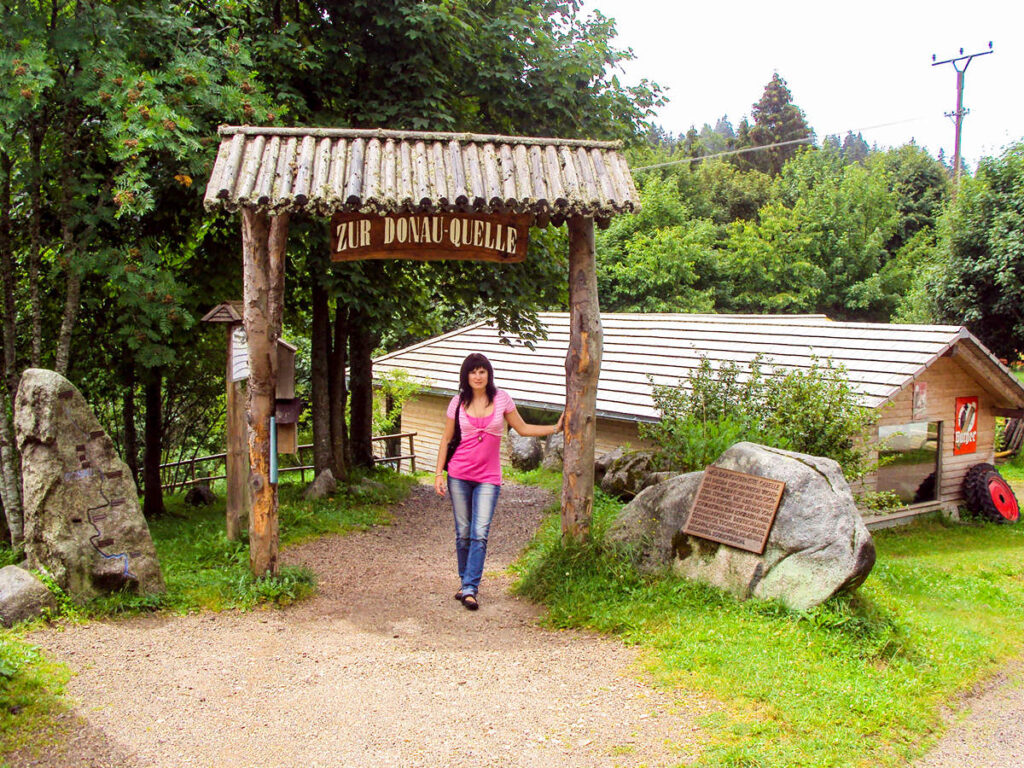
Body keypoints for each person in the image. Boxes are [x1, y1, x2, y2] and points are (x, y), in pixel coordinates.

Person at [435, 352, 563, 611]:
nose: (478, 376)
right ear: (466, 376)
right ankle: (464, 582)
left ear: (488, 374)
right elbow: (447, 439)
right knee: (463, 533)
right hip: (458, 474)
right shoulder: (457, 402)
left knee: (479, 533)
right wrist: (439, 473)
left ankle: (470, 588)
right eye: (473, 372)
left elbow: (523, 428)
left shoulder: (502, 398)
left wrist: (554, 429)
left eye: (482, 371)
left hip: (488, 478)